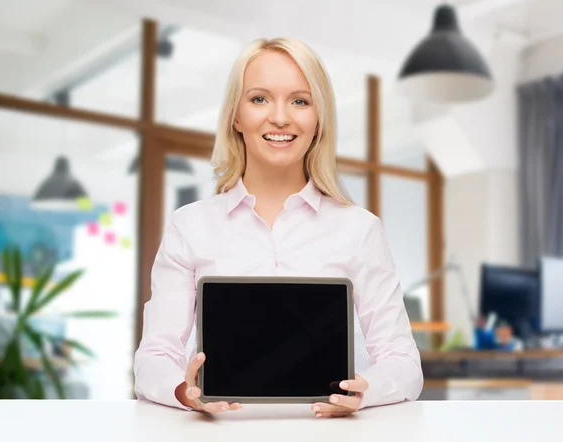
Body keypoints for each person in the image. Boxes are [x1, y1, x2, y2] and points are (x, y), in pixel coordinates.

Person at [133, 37, 423, 418]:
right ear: (236, 115)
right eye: (259, 99)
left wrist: (364, 391)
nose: (281, 117)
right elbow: (153, 357)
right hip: (221, 434)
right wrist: (182, 390)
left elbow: (403, 362)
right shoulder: (190, 225)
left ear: (318, 118)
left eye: (300, 101)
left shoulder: (360, 229)